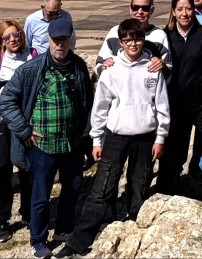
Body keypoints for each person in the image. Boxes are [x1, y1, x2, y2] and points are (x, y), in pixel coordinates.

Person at [55, 19, 170, 258]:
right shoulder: (111, 70)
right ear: (121, 42)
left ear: (143, 40)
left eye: (137, 38)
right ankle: (78, 241)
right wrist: (96, 140)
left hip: (146, 137)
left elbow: (161, 106)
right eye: (128, 39)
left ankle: (133, 232)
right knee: (102, 188)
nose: (134, 44)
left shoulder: (152, 68)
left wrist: (160, 137)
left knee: (139, 185)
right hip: (116, 136)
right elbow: (100, 109)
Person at [0, 17, 94, 259]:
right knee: (41, 196)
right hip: (42, 146)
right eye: (55, 40)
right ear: (48, 40)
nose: (60, 44)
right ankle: (38, 240)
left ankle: (63, 229)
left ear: (71, 40)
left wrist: (86, 135)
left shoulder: (79, 67)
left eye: (64, 39)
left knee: (72, 188)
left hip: (71, 144)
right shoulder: (31, 69)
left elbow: (87, 103)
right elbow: (6, 101)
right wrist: (24, 130)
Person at [159, 0, 202, 197]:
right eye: (180, 9)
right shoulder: (165, 37)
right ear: (173, 12)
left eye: (189, 8)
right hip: (174, 104)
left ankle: (197, 184)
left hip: (200, 103)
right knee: (175, 148)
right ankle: (167, 188)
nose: (185, 13)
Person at [0, 19, 33, 240]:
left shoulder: (33, 57)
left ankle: (28, 213)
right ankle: (2, 220)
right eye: (8, 36)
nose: (13, 39)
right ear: (0, 41)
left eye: (17, 34)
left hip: (27, 121)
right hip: (2, 124)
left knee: (27, 170)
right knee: (2, 173)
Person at [95, 0, 172, 78]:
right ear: (130, 9)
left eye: (145, 8)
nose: (140, 12)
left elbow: (169, 69)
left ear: (152, 10)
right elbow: (99, 65)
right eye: (135, 7)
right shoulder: (115, 32)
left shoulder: (159, 36)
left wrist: (163, 66)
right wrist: (103, 67)